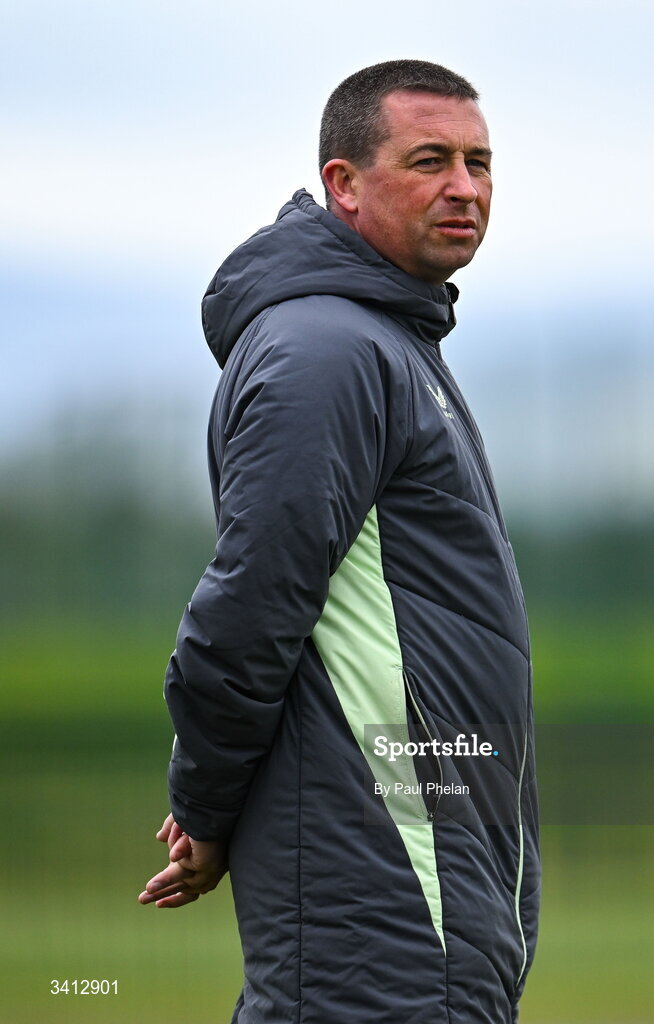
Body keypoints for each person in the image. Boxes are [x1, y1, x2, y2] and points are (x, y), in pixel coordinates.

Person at [139, 59, 540, 1024]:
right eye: (430, 160)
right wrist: (205, 802)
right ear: (344, 184)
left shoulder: (388, 343)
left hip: (417, 876)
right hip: (382, 885)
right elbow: (248, 607)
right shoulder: (329, 352)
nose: (465, 187)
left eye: (480, 162)